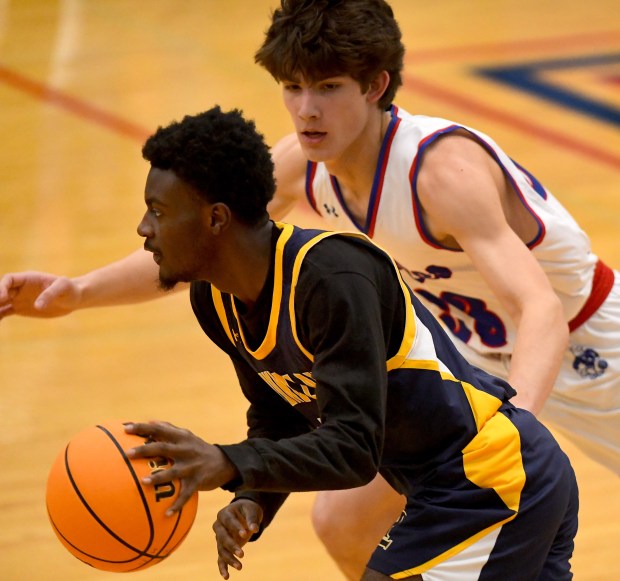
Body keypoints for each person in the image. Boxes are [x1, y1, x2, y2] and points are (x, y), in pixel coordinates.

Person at [0, 0, 616, 578]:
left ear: (375, 86)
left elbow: (537, 308)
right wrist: (76, 291)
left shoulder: (440, 172)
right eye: (293, 87)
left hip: (584, 337)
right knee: (342, 523)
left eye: (327, 87)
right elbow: (208, 242)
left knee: (509, 483)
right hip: (469, 358)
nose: (306, 109)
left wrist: (516, 431)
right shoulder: (302, 163)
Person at [123, 105, 578, 581]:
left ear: (216, 218)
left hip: (493, 478)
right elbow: (280, 416)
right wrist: (253, 497)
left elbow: (353, 449)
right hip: (444, 490)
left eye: (157, 211)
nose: (143, 228)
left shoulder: (332, 277)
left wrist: (228, 461)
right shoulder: (215, 302)